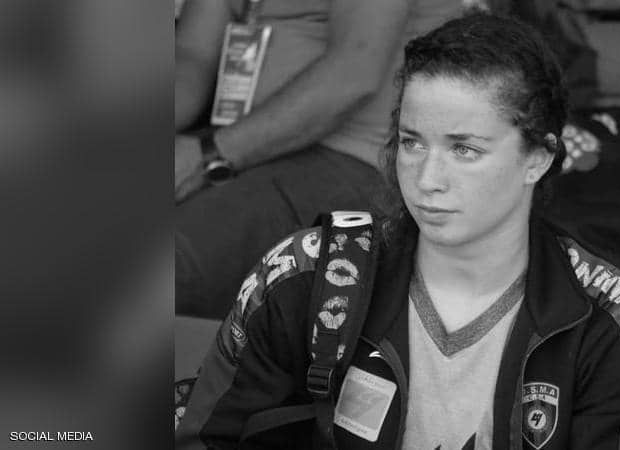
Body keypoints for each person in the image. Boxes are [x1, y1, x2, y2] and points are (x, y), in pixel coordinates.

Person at [179, 12, 620, 449]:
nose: (427, 178)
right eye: (412, 143)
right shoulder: (303, 275)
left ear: (538, 159)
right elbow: (203, 437)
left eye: (464, 149)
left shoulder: (609, 320)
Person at [174, 0, 463, 319]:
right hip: (241, 148)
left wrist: (210, 155)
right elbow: (192, 55)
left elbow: (352, 76)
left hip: (352, 161)